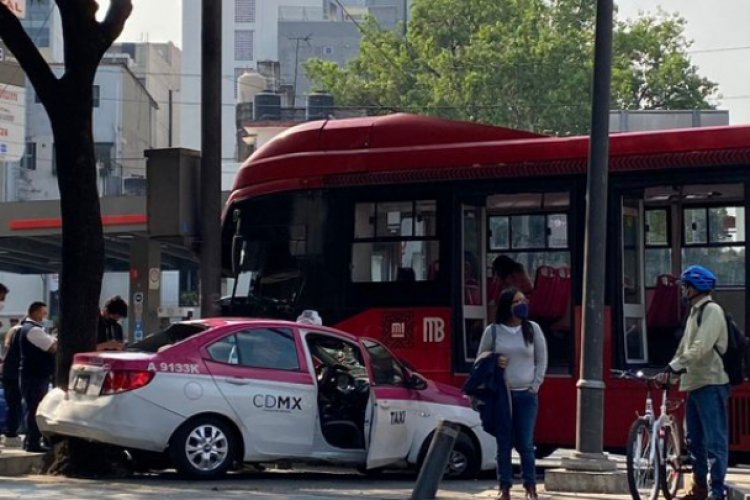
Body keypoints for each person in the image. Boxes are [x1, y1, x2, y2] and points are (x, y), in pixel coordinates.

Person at [656, 265, 729, 500]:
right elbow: (684, 349)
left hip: (711, 383)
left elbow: (700, 348)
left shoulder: (712, 311)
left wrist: (676, 366)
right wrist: (671, 371)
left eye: (685, 286)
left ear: (696, 287)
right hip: (694, 384)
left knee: (714, 441)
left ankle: (716, 492)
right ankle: (699, 489)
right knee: (694, 441)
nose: (683, 291)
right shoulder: (694, 313)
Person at [476, 287, 548, 500]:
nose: (522, 303)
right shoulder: (493, 331)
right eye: (517, 301)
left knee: (526, 443)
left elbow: (541, 360)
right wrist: (494, 360)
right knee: (504, 443)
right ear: (507, 306)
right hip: (501, 395)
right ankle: (505, 487)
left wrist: (535, 385)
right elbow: (480, 359)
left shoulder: (533, 329)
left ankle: (530, 487)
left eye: (523, 300)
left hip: (526, 395)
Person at [18, 301, 56, 452]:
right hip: (35, 376)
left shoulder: (33, 329)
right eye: (43, 312)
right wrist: (55, 341)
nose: (45, 315)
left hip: (34, 375)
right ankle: (33, 443)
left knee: (33, 408)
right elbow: (52, 347)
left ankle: (30, 440)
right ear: (34, 312)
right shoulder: (33, 330)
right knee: (35, 409)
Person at [2, 319, 24, 448]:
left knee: (12, 404)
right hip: (15, 373)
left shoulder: (11, 333)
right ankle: (11, 434)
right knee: (15, 404)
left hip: (8, 372)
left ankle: (10, 433)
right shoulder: (21, 331)